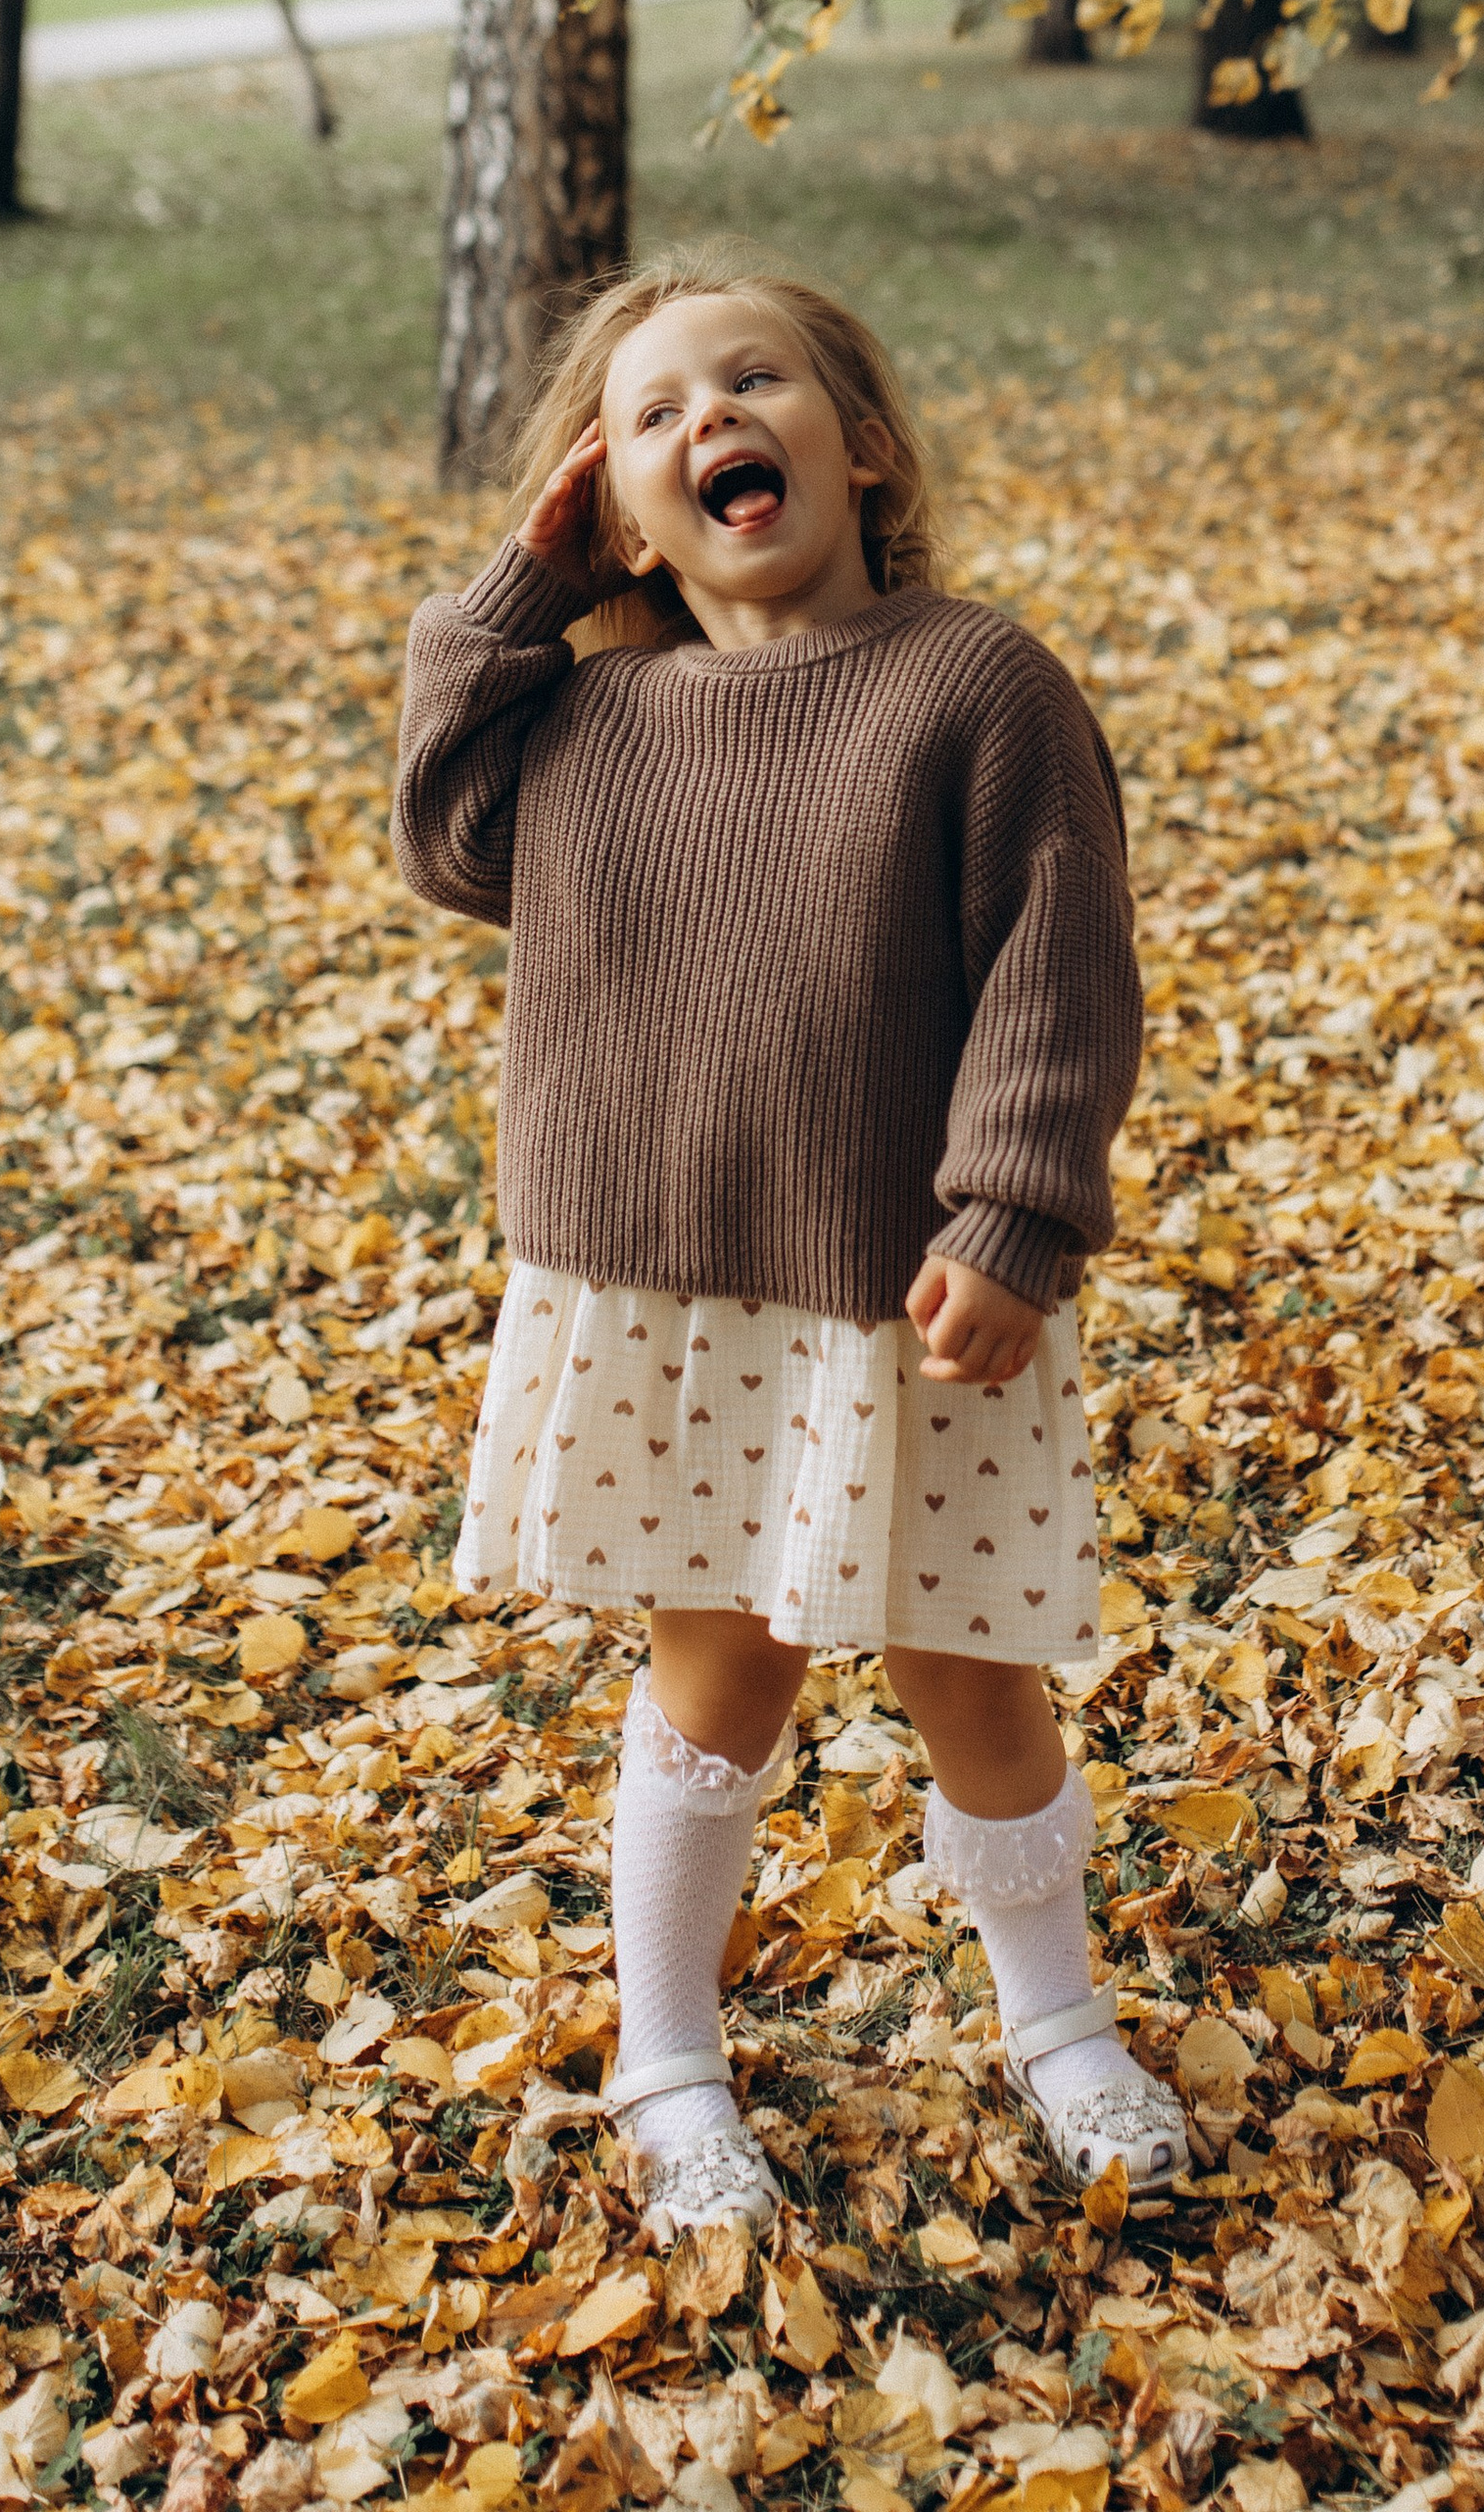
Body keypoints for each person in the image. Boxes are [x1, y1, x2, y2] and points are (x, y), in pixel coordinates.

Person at [392, 246, 1189, 2242]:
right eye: (651, 416)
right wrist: (521, 589)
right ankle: (666, 2056)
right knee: (712, 1678)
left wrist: (1014, 1210)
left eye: (750, 385)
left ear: (866, 447)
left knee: (972, 1678)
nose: (707, 424)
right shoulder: (588, 727)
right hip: (673, 1291)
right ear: (614, 510)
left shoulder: (972, 683)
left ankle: (1057, 2019)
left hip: (907, 1296)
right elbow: (436, 827)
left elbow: (1057, 970)